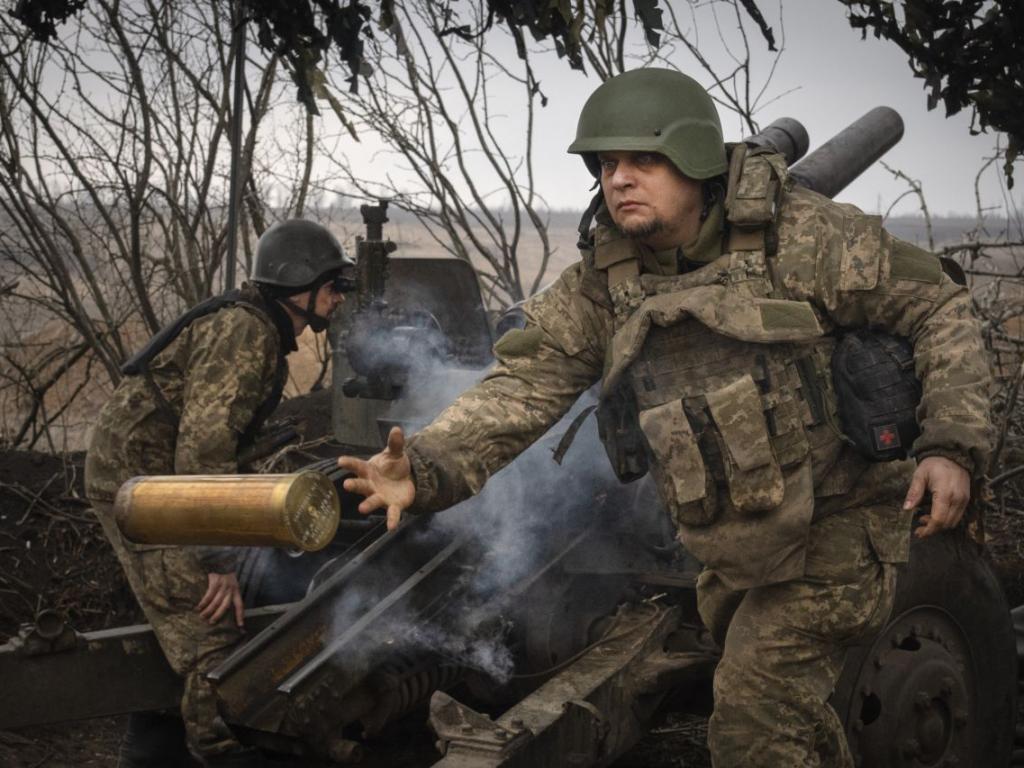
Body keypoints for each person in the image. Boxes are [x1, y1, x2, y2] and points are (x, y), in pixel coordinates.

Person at [338, 68, 993, 767]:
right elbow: (523, 385)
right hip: (734, 542)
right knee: (792, 717)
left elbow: (937, 307)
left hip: (839, 523)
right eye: (607, 164)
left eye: (643, 160)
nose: (619, 179)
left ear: (695, 162)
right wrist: (428, 467)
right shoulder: (605, 281)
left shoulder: (803, 238)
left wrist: (952, 444)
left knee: (753, 718)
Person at [85, 219, 354, 768]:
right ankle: (220, 750)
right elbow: (202, 455)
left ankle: (151, 755)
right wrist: (218, 560)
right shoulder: (246, 332)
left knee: (185, 626)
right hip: (145, 492)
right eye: (331, 285)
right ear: (296, 286)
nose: (337, 297)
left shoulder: (255, 327)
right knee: (209, 636)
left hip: (161, 484)